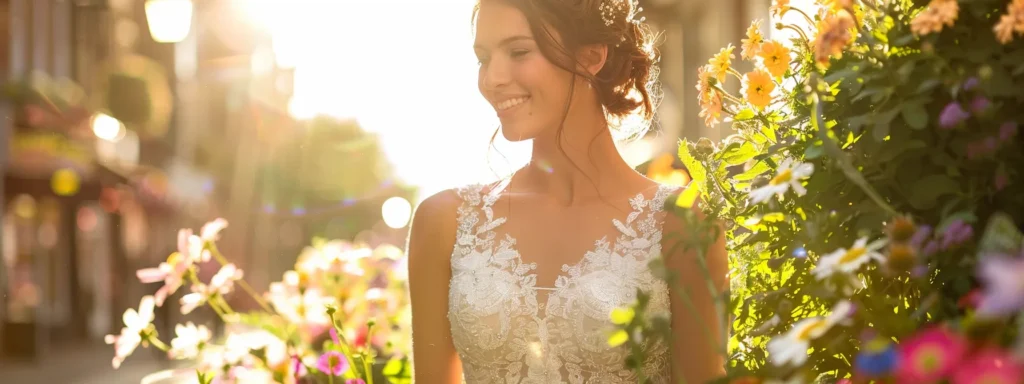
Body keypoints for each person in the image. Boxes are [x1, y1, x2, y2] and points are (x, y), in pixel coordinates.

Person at [407, 0, 728, 382]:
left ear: (591, 56)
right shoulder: (445, 222)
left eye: (518, 51)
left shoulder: (680, 224)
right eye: (483, 58)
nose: (491, 78)